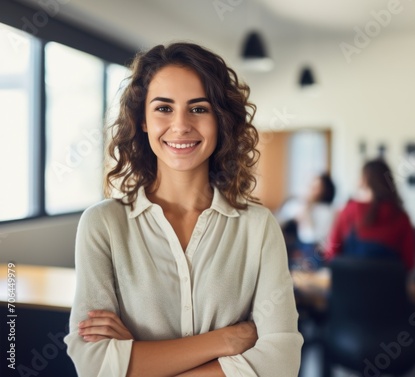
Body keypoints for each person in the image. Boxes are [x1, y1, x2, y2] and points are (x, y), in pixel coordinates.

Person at [64, 42, 302, 377]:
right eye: (163, 108)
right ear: (142, 120)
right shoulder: (103, 225)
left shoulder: (259, 227)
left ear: (220, 121)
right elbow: (93, 364)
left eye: (199, 109)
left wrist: (140, 361)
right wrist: (227, 340)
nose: (181, 125)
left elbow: (281, 361)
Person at [324, 159, 415, 271]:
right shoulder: (401, 216)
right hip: (389, 287)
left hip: (349, 286)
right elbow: (409, 263)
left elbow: (331, 254)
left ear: (363, 180)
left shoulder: (348, 211)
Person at [277, 173, 336, 270]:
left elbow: (312, 236)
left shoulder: (327, 211)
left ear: (325, 191)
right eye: (310, 186)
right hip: (300, 246)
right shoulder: (300, 204)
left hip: (315, 249)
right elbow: (279, 219)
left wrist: (306, 212)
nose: (311, 190)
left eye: (316, 188)